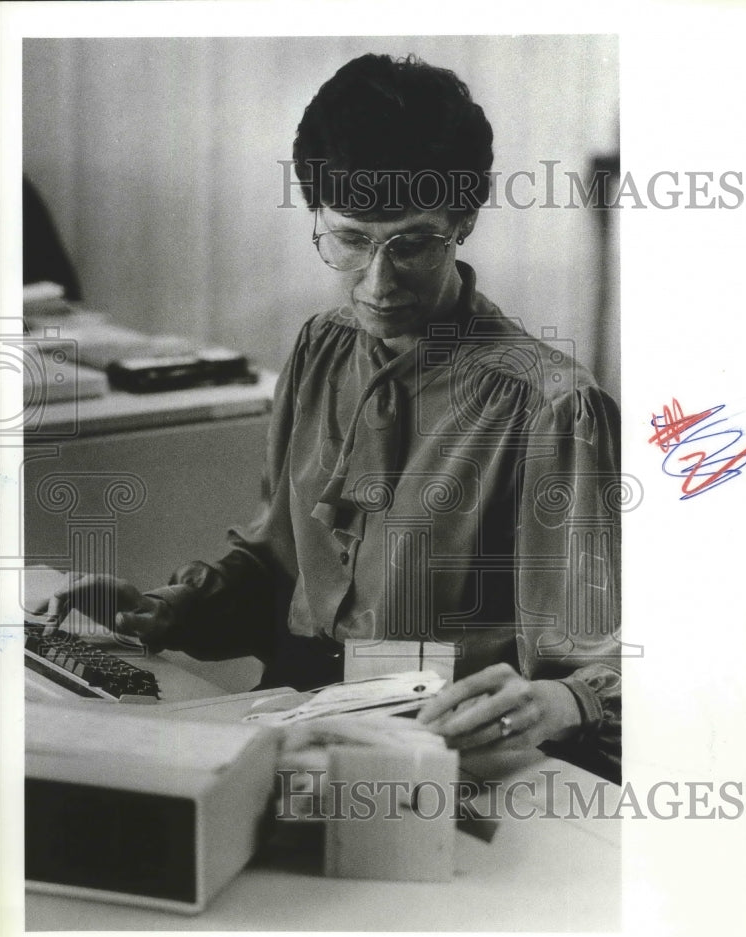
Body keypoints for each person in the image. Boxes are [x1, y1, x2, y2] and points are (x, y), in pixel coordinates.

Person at [39, 54, 622, 783]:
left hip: (440, 751)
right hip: (291, 721)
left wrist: (556, 700)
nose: (377, 284)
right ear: (315, 214)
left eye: (411, 243)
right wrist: (161, 609)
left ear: (463, 220)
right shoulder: (322, 347)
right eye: (348, 238)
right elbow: (275, 559)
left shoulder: (551, 406)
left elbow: (598, 670)